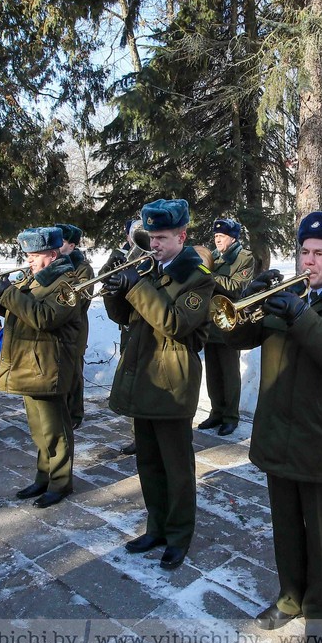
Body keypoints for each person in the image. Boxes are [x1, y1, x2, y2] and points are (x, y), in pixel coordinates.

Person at [225, 212, 322, 643]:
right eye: (304, 252)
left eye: (319, 254)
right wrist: (248, 299)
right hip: (278, 433)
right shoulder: (291, 295)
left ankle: (319, 612)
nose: (308, 261)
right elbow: (238, 338)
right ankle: (290, 597)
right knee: (286, 526)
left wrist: (301, 315)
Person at [102, 199, 213, 570]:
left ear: (182, 236)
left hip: (172, 381)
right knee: (148, 462)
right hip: (143, 376)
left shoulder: (197, 276)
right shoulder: (147, 267)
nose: (154, 244)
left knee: (176, 467)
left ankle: (178, 535)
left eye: (162, 238)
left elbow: (175, 324)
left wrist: (136, 287)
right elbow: (124, 316)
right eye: (151, 237)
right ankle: (157, 527)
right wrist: (115, 288)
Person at [0, 226, 82, 509]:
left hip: (49, 366)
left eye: (34, 255)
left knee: (55, 431)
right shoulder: (34, 279)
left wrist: (9, 294)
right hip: (30, 364)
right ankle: (44, 476)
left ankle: (61, 482)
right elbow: (17, 311)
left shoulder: (66, 284)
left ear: (52, 255)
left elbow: (44, 317)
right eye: (28, 255)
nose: (28, 260)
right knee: (39, 430)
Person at [199, 217, 256, 437]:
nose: (217, 240)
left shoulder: (244, 258)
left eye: (221, 236)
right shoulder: (212, 257)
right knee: (213, 372)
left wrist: (208, 275)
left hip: (230, 321)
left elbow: (236, 288)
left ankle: (231, 416)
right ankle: (216, 412)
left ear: (232, 238)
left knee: (229, 372)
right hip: (210, 320)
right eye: (215, 236)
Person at [100, 218, 143, 455]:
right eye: (132, 234)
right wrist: (110, 269)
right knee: (131, 382)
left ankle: (146, 434)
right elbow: (106, 283)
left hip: (147, 326)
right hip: (129, 327)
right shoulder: (123, 254)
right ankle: (137, 434)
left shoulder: (151, 256)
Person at [56, 223, 94, 430]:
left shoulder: (82, 268)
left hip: (75, 329)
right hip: (56, 329)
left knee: (73, 373)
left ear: (72, 246)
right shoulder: (53, 264)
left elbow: (81, 300)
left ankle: (74, 414)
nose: (56, 246)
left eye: (61, 242)